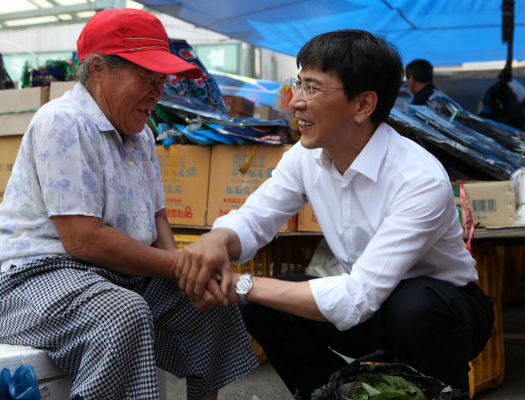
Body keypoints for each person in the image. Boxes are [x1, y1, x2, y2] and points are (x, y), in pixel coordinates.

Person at [177, 30, 493, 400]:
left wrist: (241, 285)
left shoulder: (418, 178)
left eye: (312, 88)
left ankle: (441, 393)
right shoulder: (305, 156)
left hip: (440, 315)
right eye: (298, 84)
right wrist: (216, 241)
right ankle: (328, 393)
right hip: (367, 307)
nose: (295, 102)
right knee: (264, 306)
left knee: (414, 305)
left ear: (363, 105)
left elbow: (358, 295)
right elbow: (255, 217)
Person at [0, 8, 258, 400]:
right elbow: (83, 240)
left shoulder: (141, 134)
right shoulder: (64, 121)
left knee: (208, 301)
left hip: (109, 275)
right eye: (147, 77)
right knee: (121, 313)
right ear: (99, 70)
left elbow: (157, 216)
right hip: (27, 279)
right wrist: (178, 265)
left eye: (162, 80)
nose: (157, 92)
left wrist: (186, 275)